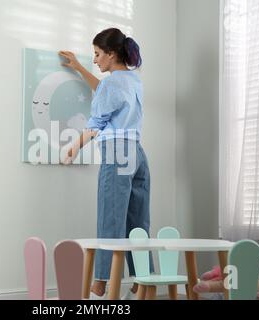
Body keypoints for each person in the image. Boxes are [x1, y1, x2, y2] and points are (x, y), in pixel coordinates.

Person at [59, 28, 153, 300]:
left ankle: (101, 283)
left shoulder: (112, 85)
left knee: (110, 219)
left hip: (117, 153)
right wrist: (77, 67)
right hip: (137, 154)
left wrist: (73, 148)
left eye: (98, 54)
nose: (96, 60)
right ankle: (141, 281)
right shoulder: (132, 80)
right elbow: (105, 90)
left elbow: (97, 122)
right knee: (138, 222)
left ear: (112, 54)